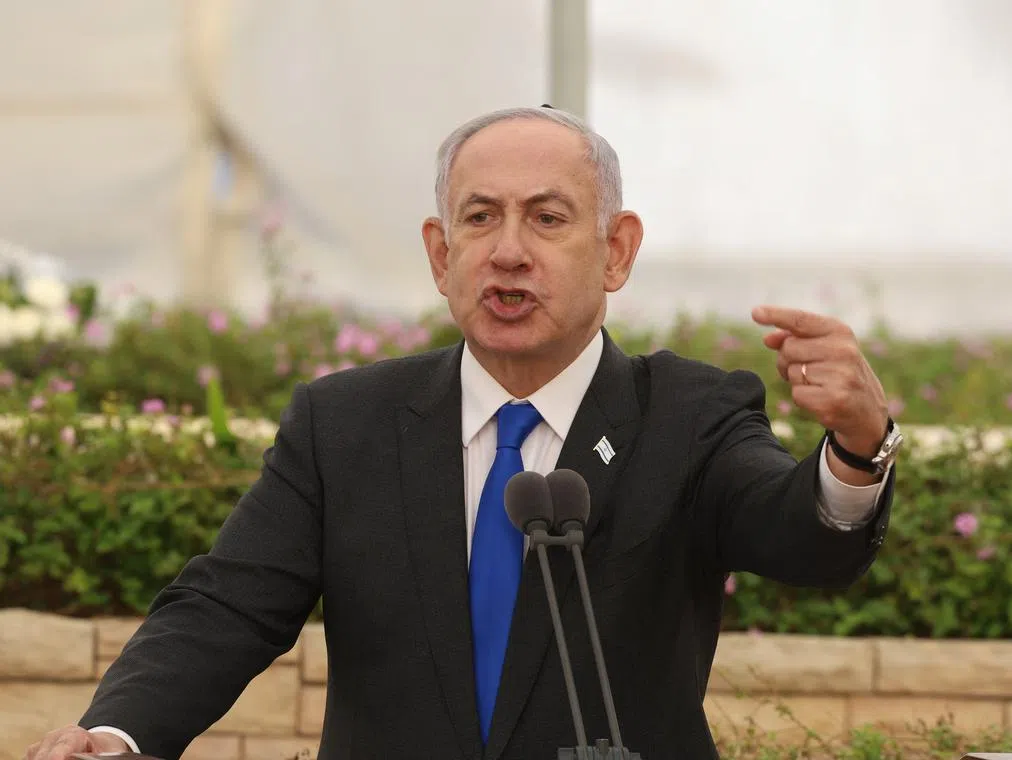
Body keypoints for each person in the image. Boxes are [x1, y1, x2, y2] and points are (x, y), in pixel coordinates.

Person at [26, 106, 901, 760]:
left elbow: (802, 537)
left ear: (618, 251)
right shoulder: (345, 424)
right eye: (480, 219)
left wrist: (857, 449)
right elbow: (225, 607)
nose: (508, 251)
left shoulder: (689, 416)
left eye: (548, 219)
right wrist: (119, 732)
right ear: (441, 255)